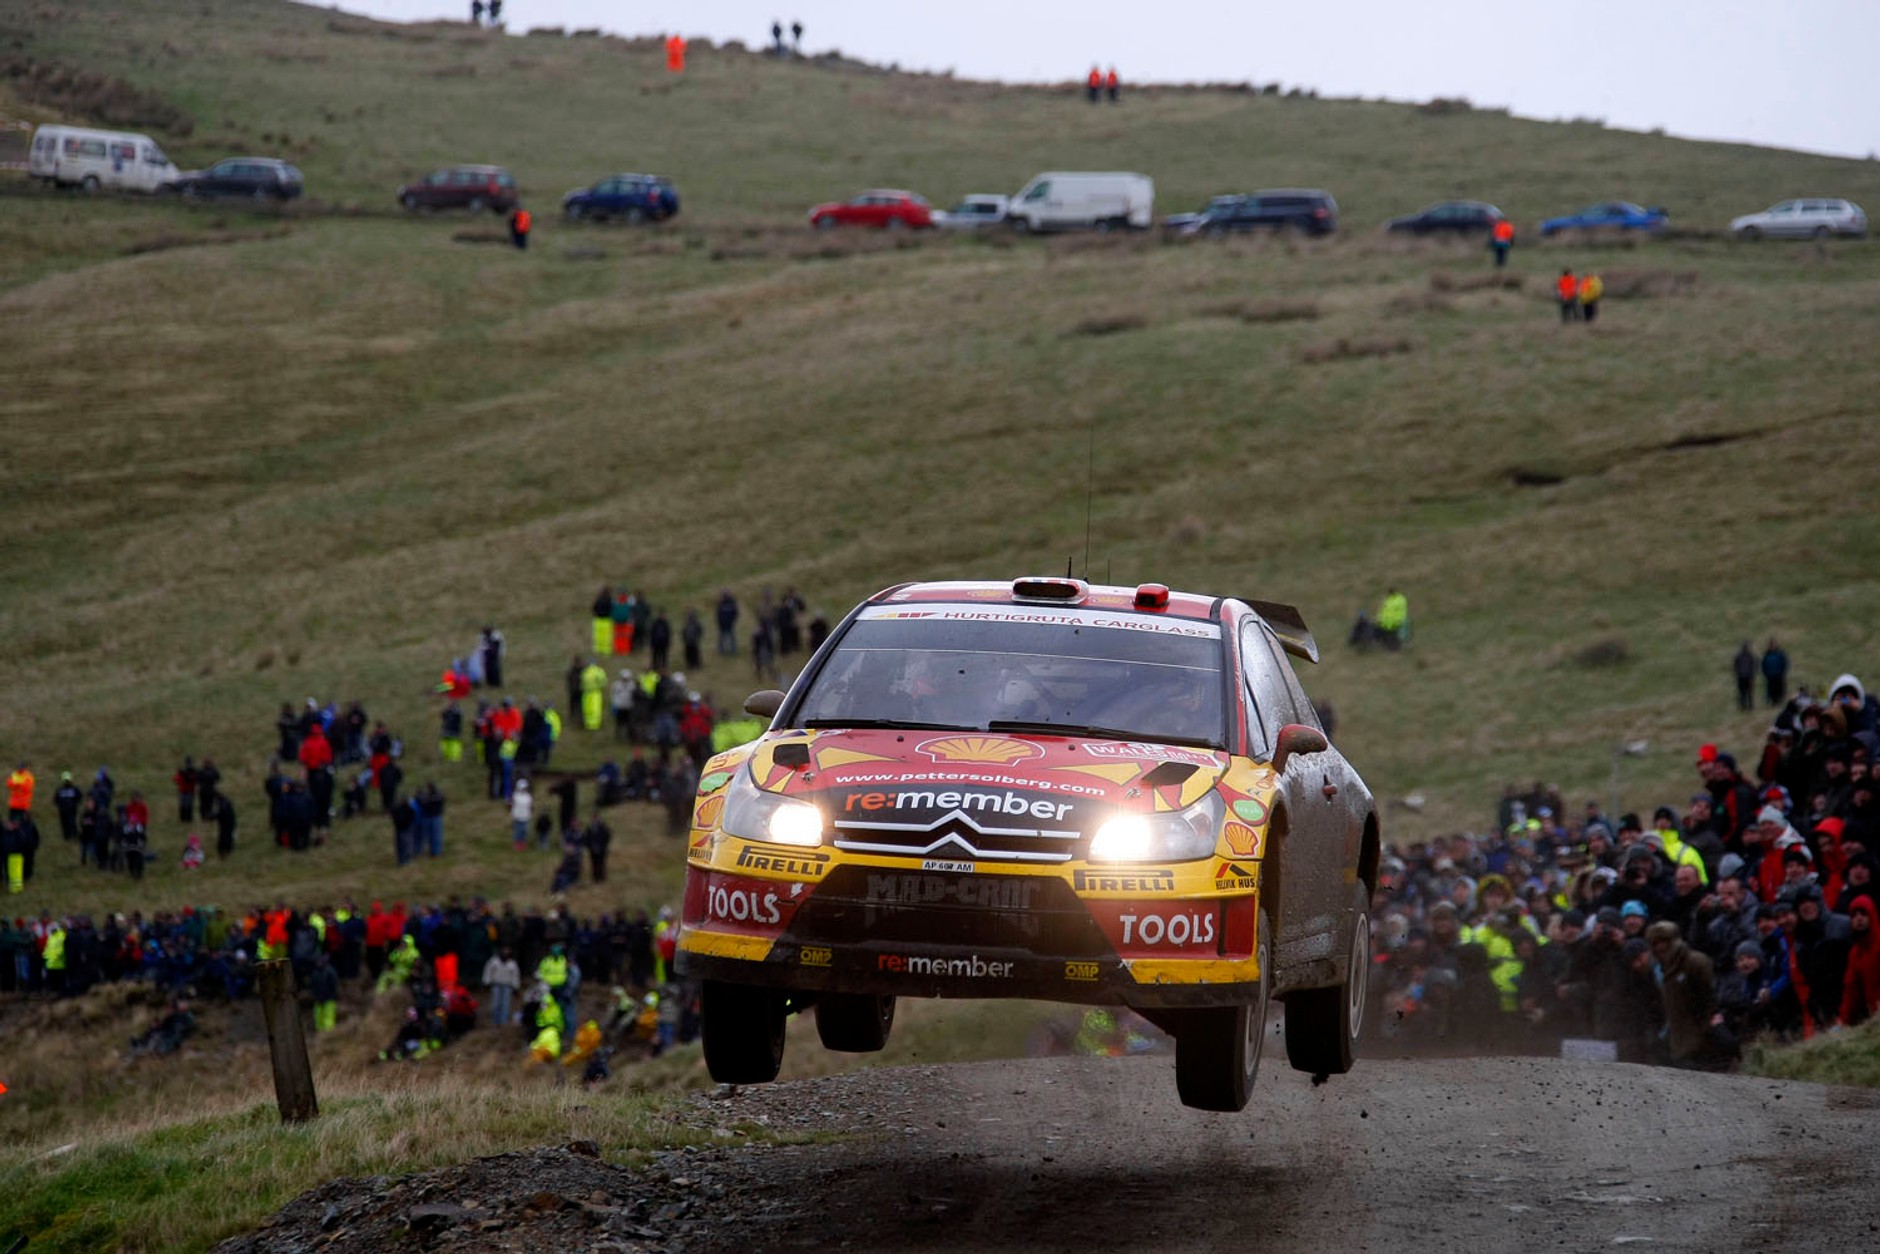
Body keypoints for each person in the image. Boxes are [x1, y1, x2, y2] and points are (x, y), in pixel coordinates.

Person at [484, 945, 521, 1026]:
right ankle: (495, 1021)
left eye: (507, 952)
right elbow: (488, 972)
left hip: (507, 986)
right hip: (496, 985)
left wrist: (516, 987)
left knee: (505, 1005)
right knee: (495, 1004)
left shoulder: (512, 964)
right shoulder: (494, 961)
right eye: (504, 952)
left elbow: (515, 976)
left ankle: (503, 1022)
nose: (505, 954)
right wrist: (486, 982)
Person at [1761, 639, 1790, 708]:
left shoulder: (1780, 654)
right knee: (1771, 689)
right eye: (1771, 645)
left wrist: (1783, 671)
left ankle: (1778, 701)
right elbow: (1763, 664)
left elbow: (1785, 663)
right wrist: (1765, 672)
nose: (1772, 647)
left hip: (1778, 674)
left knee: (1779, 688)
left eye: (1773, 645)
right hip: (1770, 675)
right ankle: (1773, 701)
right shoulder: (1767, 654)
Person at [510, 778, 533, 850]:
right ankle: (517, 844)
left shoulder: (528, 796)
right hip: (518, 816)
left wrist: (530, 812)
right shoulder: (515, 795)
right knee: (518, 831)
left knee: (525, 830)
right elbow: (511, 804)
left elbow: (530, 806)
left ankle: (523, 843)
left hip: (526, 816)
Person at [1733, 642, 1757, 711]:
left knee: (1749, 693)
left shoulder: (1751, 656)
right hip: (1741, 677)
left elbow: (1754, 666)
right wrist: (1737, 673)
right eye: (1745, 647)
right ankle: (1743, 706)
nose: (1746, 648)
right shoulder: (1739, 656)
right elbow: (1735, 666)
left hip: (1749, 677)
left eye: (1746, 647)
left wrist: (1752, 675)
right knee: (1742, 693)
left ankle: (1750, 706)